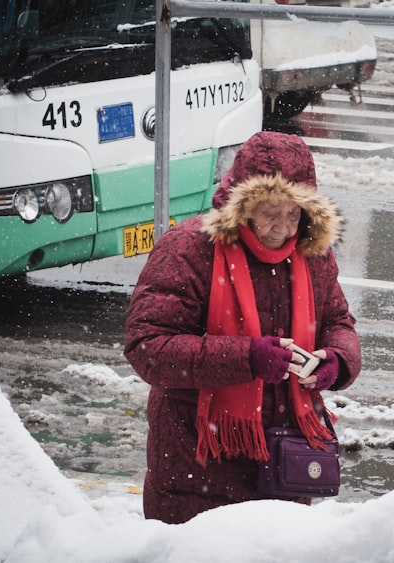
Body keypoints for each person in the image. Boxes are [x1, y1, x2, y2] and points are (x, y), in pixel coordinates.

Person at [124, 131, 361, 524]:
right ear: (243, 203)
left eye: (294, 213)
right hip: (197, 470)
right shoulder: (189, 248)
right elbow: (148, 347)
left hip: (285, 469)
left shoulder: (311, 253)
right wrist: (246, 358)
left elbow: (338, 322)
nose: (282, 228)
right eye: (270, 211)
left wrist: (336, 361)